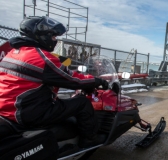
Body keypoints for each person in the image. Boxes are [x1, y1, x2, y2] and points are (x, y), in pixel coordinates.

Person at [0, 16, 109, 148]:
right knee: (82, 102)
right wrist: (97, 80)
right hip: (29, 113)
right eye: (53, 36)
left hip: (8, 109)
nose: (55, 40)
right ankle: (89, 140)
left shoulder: (13, 53)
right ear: (41, 35)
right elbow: (73, 80)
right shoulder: (41, 57)